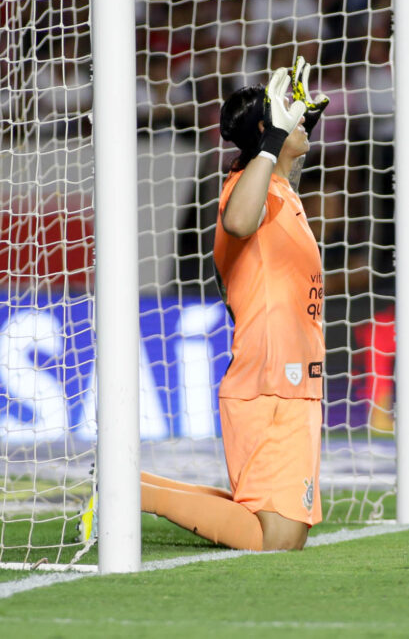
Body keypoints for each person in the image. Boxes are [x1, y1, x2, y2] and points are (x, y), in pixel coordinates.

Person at [127, 61, 329, 552]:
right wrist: (272, 139)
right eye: (288, 115)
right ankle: (127, 491)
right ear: (265, 133)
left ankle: (126, 487)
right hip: (271, 381)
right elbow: (240, 222)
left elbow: (285, 162)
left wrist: (289, 128)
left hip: (292, 382)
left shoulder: (279, 188)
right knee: (277, 540)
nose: (300, 121)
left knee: (277, 532)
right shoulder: (246, 190)